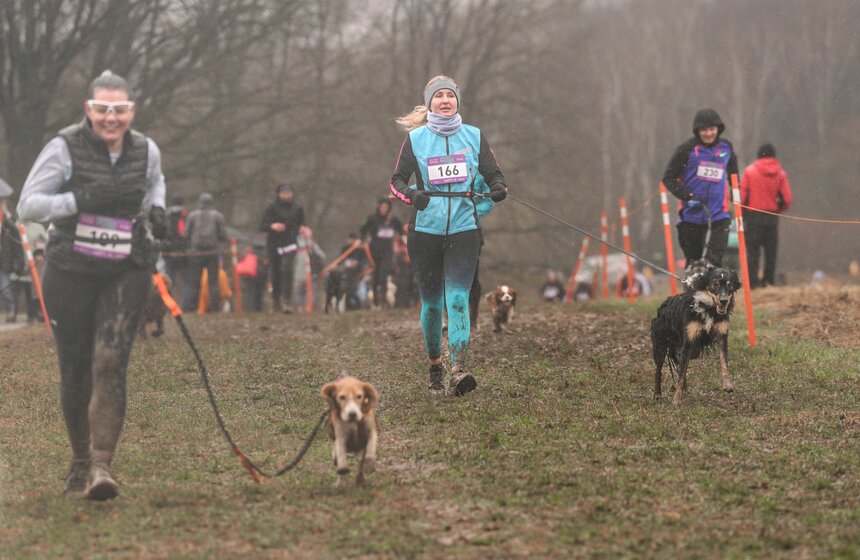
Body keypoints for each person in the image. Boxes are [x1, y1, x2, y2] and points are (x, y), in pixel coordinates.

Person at [17, 70, 167, 500]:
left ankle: (102, 466)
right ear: (88, 109)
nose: (110, 117)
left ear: (131, 112)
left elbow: (155, 180)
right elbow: (29, 202)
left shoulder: (146, 149)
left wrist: (156, 210)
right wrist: (79, 200)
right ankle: (80, 459)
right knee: (77, 367)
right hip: (70, 269)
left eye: (119, 110)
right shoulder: (63, 147)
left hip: (126, 265)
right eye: (102, 109)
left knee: (110, 361)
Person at [390, 75, 507, 396]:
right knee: (430, 305)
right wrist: (413, 197)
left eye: (450, 96)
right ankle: (435, 366)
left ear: (457, 101)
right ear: (429, 103)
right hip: (424, 232)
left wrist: (497, 187)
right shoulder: (415, 140)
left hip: (463, 230)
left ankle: (458, 369)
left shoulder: (474, 136)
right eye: (438, 96)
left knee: (457, 300)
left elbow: (494, 173)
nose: (445, 100)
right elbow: (396, 182)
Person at [662, 108, 739, 271]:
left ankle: (715, 292)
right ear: (697, 131)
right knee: (694, 263)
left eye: (712, 129)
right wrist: (687, 196)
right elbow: (668, 178)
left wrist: (736, 194)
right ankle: (693, 292)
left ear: (718, 129)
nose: (708, 133)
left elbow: (734, 176)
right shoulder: (686, 149)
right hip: (692, 215)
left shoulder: (726, 148)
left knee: (714, 262)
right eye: (704, 130)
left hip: (719, 212)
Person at [741, 143, 793, 288]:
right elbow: (787, 199)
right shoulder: (780, 173)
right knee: (771, 253)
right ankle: (768, 283)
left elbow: (742, 197)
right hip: (771, 217)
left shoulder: (750, 171)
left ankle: (753, 284)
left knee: (753, 253)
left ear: (758, 155)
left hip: (752, 217)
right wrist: (777, 208)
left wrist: (743, 212)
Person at [259, 184, 305, 313]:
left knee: (287, 270)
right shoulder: (271, 207)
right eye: (283, 193)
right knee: (276, 273)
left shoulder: (298, 208)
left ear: (292, 193)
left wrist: (303, 229)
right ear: (278, 194)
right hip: (274, 244)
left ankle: (287, 302)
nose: (286, 195)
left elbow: (302, 224)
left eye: (288, 193)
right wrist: (272, 226)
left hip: (290, 243)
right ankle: (276, 300)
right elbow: (262, 225)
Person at [183, 192, 228, 312]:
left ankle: (192, 308)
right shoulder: (218, 216)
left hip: (195, 252)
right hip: (212, 252)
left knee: (194, 281)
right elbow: (223, 235)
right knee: (213, 281)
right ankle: (215, 308)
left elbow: (186, 234)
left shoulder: (192, 216)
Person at [360, 198, 403, 309]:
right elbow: (363, 230)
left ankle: (383, 300)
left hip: (387, 252)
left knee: (384, 275)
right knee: (375, 276)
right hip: (374, 252)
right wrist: (362, 240)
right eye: (382, 206)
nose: (384, 209)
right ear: (378, 207)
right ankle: (375, 299)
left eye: (386, 207)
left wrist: (403, 239)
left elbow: (401, 230)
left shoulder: (393, 219)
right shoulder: (372, 218)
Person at [0, 202, 24, 322]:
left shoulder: (9, 227)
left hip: (3, 264)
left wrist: (19, 263)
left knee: (5, 289)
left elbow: (17, 246)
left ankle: (11, 311)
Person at [163, 195, 188, 292]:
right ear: (183, 204)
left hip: (168, 251)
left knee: (169, 280)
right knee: (187, 279)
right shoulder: (184, 215)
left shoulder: (165, 215)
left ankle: (168, 302)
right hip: (182, 252)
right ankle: (187, 303)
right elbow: (183, 233)